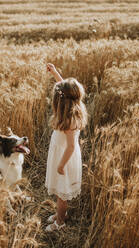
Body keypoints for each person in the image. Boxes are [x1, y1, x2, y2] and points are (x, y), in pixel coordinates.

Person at [45, 63, 88, 232]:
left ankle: (60, 222)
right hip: (62, 155)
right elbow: (65, 90)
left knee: (62, 194)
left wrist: (61, 165)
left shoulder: (69, 120)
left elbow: (70, 146)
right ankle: (60, 214)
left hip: (65, 159)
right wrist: (55, 73)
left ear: (60, 102)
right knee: (60, 191)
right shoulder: (73, 104)